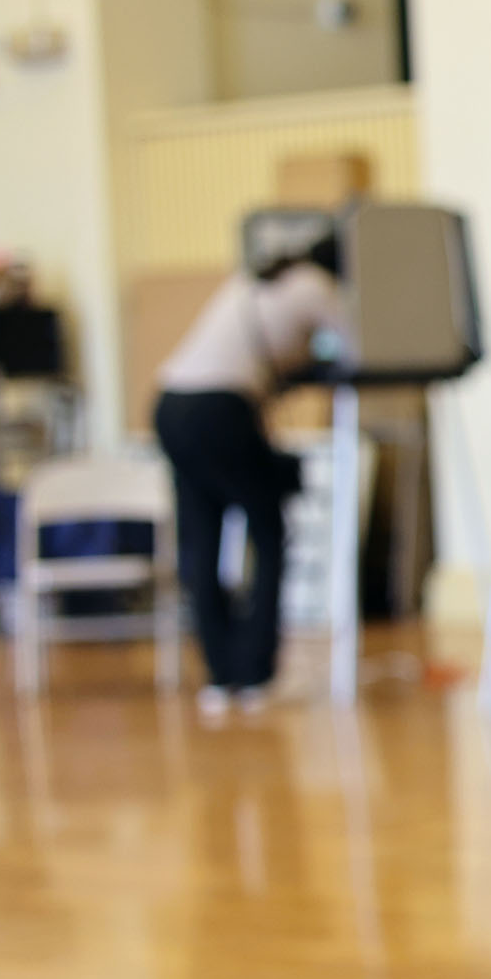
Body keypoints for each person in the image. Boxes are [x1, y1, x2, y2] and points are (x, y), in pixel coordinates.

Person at [153, 230, 351, 718]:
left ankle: (221, 678)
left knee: (201, 540)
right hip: (221, 408)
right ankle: (258, 672)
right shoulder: (316, 285)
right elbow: (356, 343)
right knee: (268, 530)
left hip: (171, 405)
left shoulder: (256, 279)